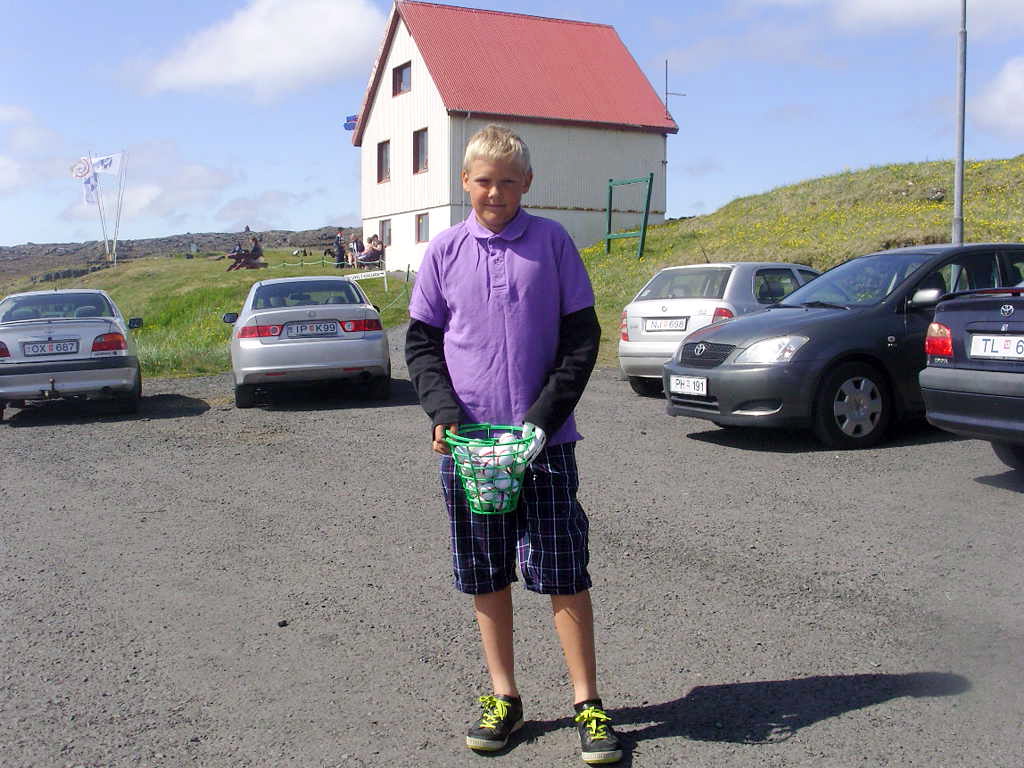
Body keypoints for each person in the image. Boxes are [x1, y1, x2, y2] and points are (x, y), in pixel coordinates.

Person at [405, 125, 620, 765]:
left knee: (562, 570)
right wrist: (445, 415)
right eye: (483, 181)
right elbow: (421, 346)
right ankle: (505, 696)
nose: (494, 192)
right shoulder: (443, 251)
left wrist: (543, 419)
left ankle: (587, 703)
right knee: (486, 570)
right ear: (464, 182)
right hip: (470, 450)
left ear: (527, 182)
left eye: (507, 181)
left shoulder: (553, 243)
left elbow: (582, 340)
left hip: (544, 446)